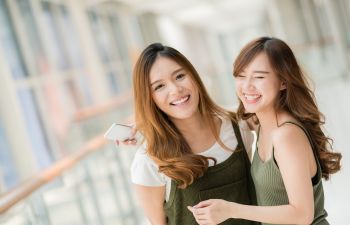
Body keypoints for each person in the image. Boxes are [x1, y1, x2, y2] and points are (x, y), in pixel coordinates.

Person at [188, 37, 342, 225]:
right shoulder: (262, 123)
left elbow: (302, 215)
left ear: (283, 82)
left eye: (259, 77)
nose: (247, 86)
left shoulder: (286, 135)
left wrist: (231, 209)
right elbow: (221, 119)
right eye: (241, 76)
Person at [129, 43, 260, 225]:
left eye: (180, 76)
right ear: (149, 98)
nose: (175, 90)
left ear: (194, 76)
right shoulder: (148, 161)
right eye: (159, 87)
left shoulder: (238, 126)